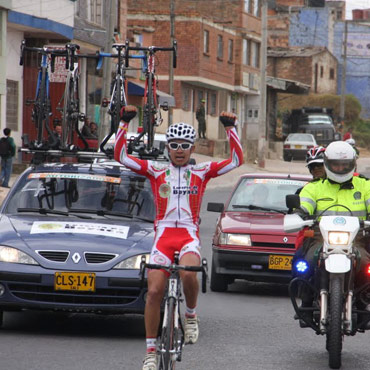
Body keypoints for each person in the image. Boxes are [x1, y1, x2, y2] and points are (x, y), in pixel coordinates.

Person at [114, 105, 243, 370]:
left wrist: (231, 129)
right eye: (174, 145)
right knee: (153, 293)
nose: (180, 149)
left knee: (187, 274)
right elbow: (121, 156)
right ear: (168, 148)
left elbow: (236, 161)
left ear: (193, 148)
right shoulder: (155, 170)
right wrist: (123, 123)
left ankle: (191, 316)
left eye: (185, 145)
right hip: (162, 237)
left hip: (187, 236)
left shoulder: (202, 172)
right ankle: (151, 352)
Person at [293, 141, 370, 326]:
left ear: (353, 164)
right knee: (304, 262)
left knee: (366, 265)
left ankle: (362, 302)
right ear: (327, 163)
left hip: (356, 239)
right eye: (336, 164)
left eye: (344, 164)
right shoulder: (314, 187)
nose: (340, 168)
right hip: (321, 238)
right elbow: (304, 204)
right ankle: (306, 301)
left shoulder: (364, 185)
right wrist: (299, 213)